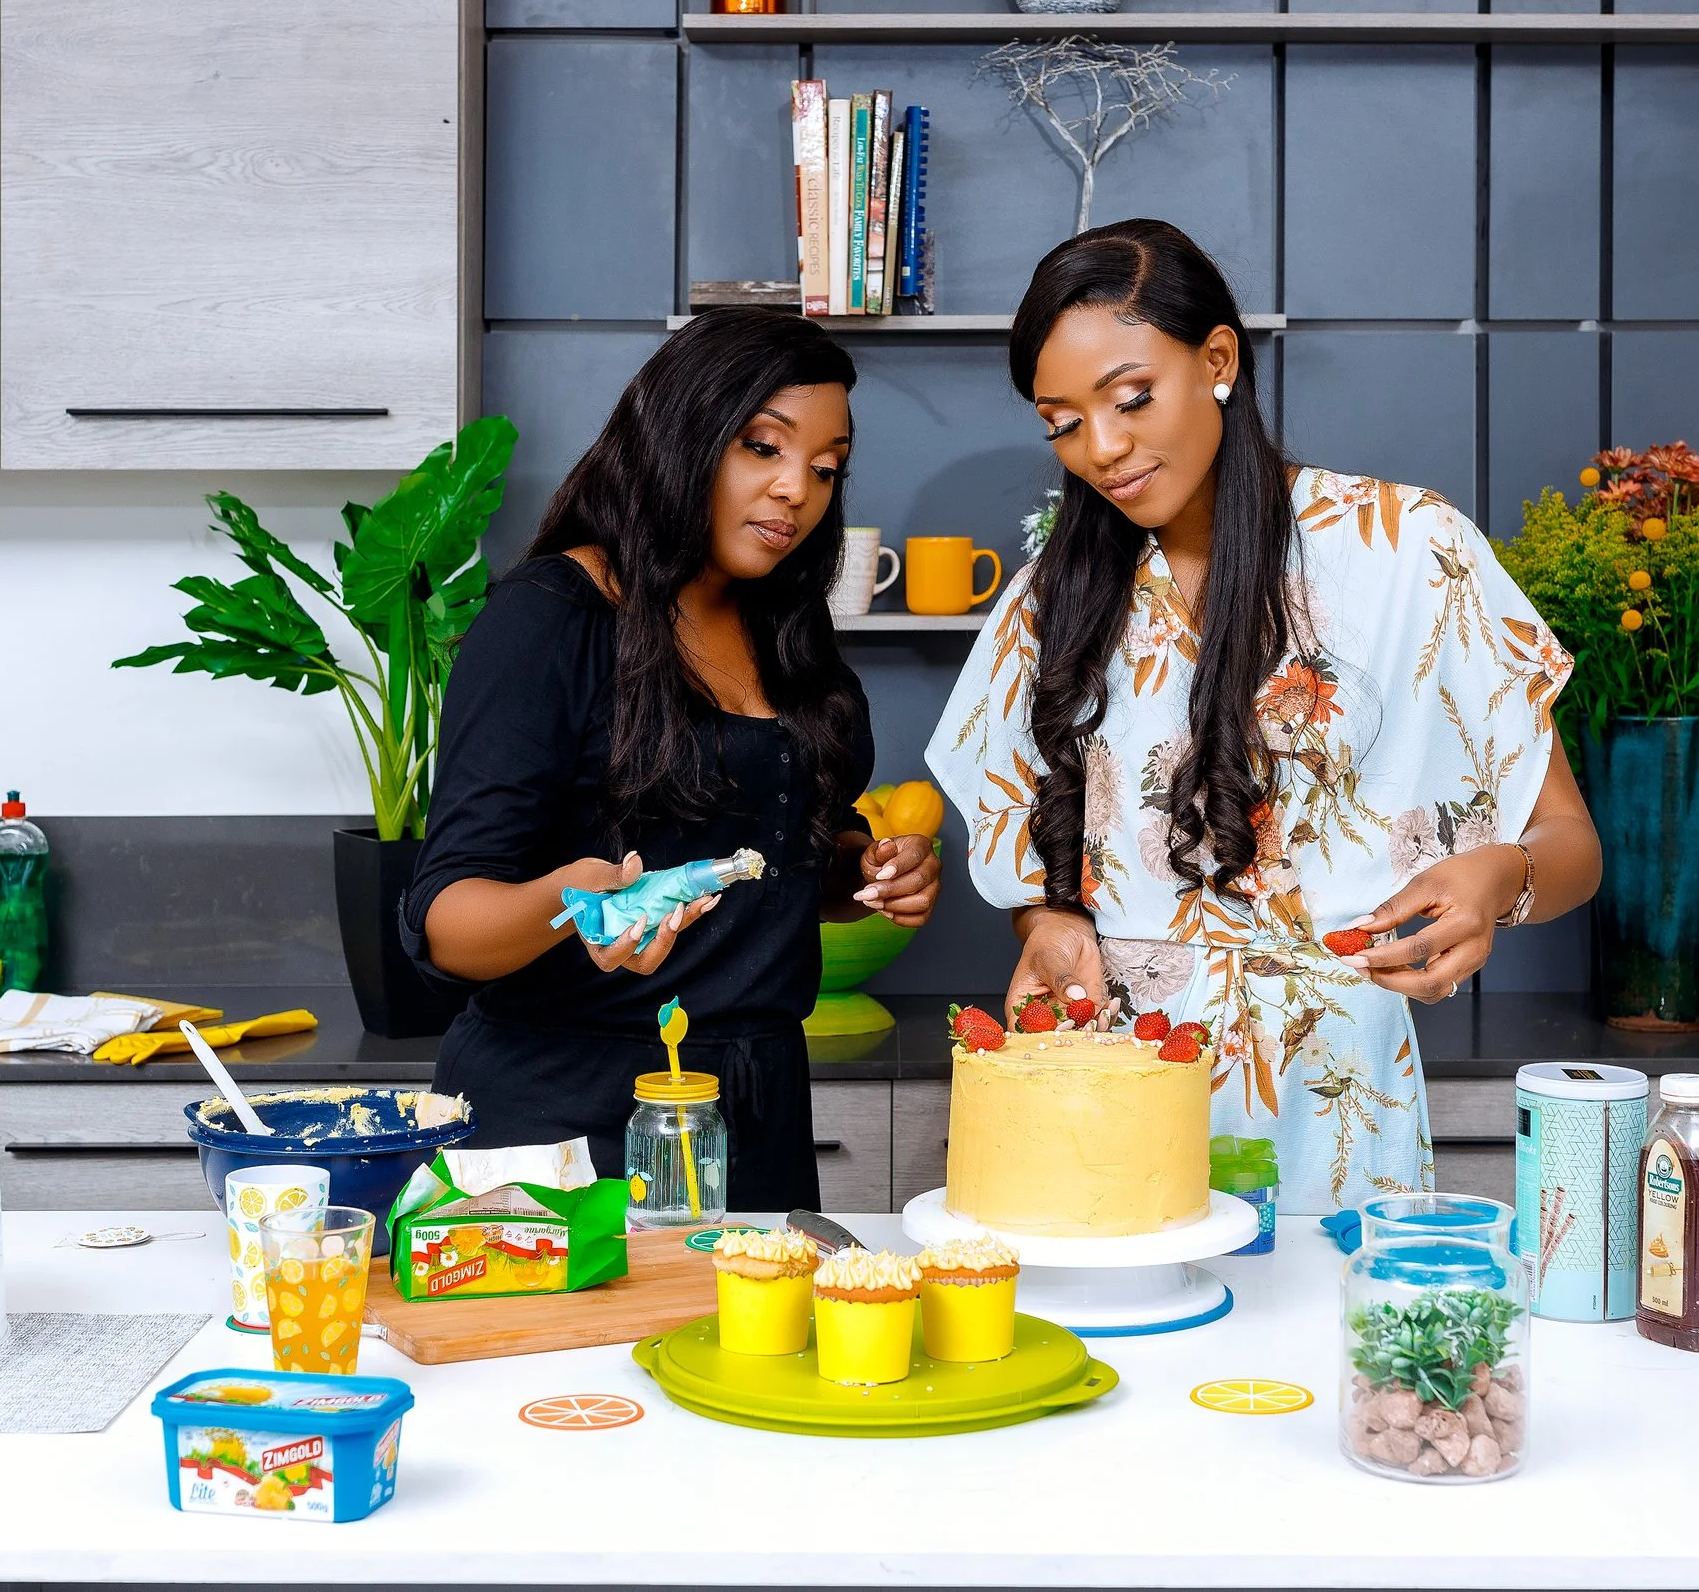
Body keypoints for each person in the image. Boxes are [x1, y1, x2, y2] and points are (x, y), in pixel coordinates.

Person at [925, 220, 1600, 1212]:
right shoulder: (1049, 599)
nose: (1101, 449)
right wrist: (1049, 918)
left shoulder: (1408, 547)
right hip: (1115, 1081)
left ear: (1217, 359)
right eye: (1062, 422)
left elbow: (1566, 842)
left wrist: (1497, 875)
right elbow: (1040, 856)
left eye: (1129, 398)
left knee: (1328, 1359)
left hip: (1339, 1097)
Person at [401, 307, 943, 1210]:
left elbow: (779, 853)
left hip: (754, 1113)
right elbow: (446, 922)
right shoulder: (548, 621)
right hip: (563, 1125)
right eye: (761, 448)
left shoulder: (788, 631)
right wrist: (574, 903)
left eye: (824, 468)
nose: (794, 492)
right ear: (682, 433)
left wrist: (866, 872)